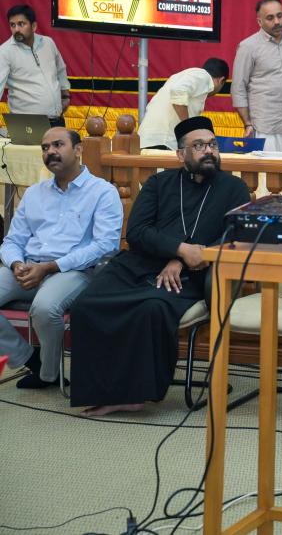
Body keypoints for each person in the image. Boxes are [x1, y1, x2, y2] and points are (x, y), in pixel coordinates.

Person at [70, 116, 250, 416]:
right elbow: (138, 231)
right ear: (181, 154)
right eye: (199, 146)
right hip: (138, 264)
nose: (209, 151)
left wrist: (182, 260)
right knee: (86, 305)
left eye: (213, 145)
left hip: (192, 275)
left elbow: (233, 238)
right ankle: (102, 390)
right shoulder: (159, 183)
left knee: (152, 308)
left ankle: (136, 394)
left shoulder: (233, 189)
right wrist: (179, 249)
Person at [0, 127, 121, 389]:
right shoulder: (34, 193)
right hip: (28, 267)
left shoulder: (102, 192)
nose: (50, 152)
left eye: (58, 145)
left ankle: (49, 373)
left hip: (74, 271)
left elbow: (105, 245)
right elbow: (12, 241)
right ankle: (28, 357)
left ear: (78, 150)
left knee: (45, 308)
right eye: (45, 148)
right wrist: (17, 263)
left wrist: (50, 267)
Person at [230, 0, 282, 152]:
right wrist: (247, 124)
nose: (277, 22)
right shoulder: (248, 47)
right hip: (261, 128)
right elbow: (238, 89)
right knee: (265, 169)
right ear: (259, 22)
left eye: (280, 16)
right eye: (270, 18)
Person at [0, 5, 71, 126]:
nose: (16, 29)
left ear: (34, 26)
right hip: (27, 124)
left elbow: (61, 69)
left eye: (21, 24)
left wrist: (65, 96)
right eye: (12, 25)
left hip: (56, 120)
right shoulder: (5, 51)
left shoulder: (48, 43)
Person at [137, 58, 229, 150]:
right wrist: (188, 128)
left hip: (149, 140)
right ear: (221, 80)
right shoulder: (203, 76)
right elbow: (178, 91)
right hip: (162, 141)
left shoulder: (183, 75)